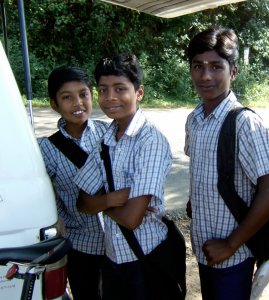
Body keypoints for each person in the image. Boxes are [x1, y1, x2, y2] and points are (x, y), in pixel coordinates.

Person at [184, 27, 269, 300]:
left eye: (216, 66)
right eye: (198, 66)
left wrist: (230, 243)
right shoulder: (194, 119)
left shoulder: (245, 123)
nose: (205, 76)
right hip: (205, 248)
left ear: (234, 72)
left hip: (234, 253)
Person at [74, 53, 172, 300]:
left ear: (139, 93)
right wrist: (116, 198)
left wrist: (103, 202)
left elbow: (131, 219)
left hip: (144, 256)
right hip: (112, 258)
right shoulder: (105, 139)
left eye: (120, 89)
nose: (110, 98)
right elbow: (82, 203)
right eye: (103, 90)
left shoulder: (150, 140)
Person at [38, 66, 109, 300]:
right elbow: (44, 192)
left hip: (119, 243)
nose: (77, 103)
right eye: (66, 97)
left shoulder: (108, 133)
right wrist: (55, 217)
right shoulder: (46, 149)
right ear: (54, 104)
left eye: (83, 94)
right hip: (81, 246)